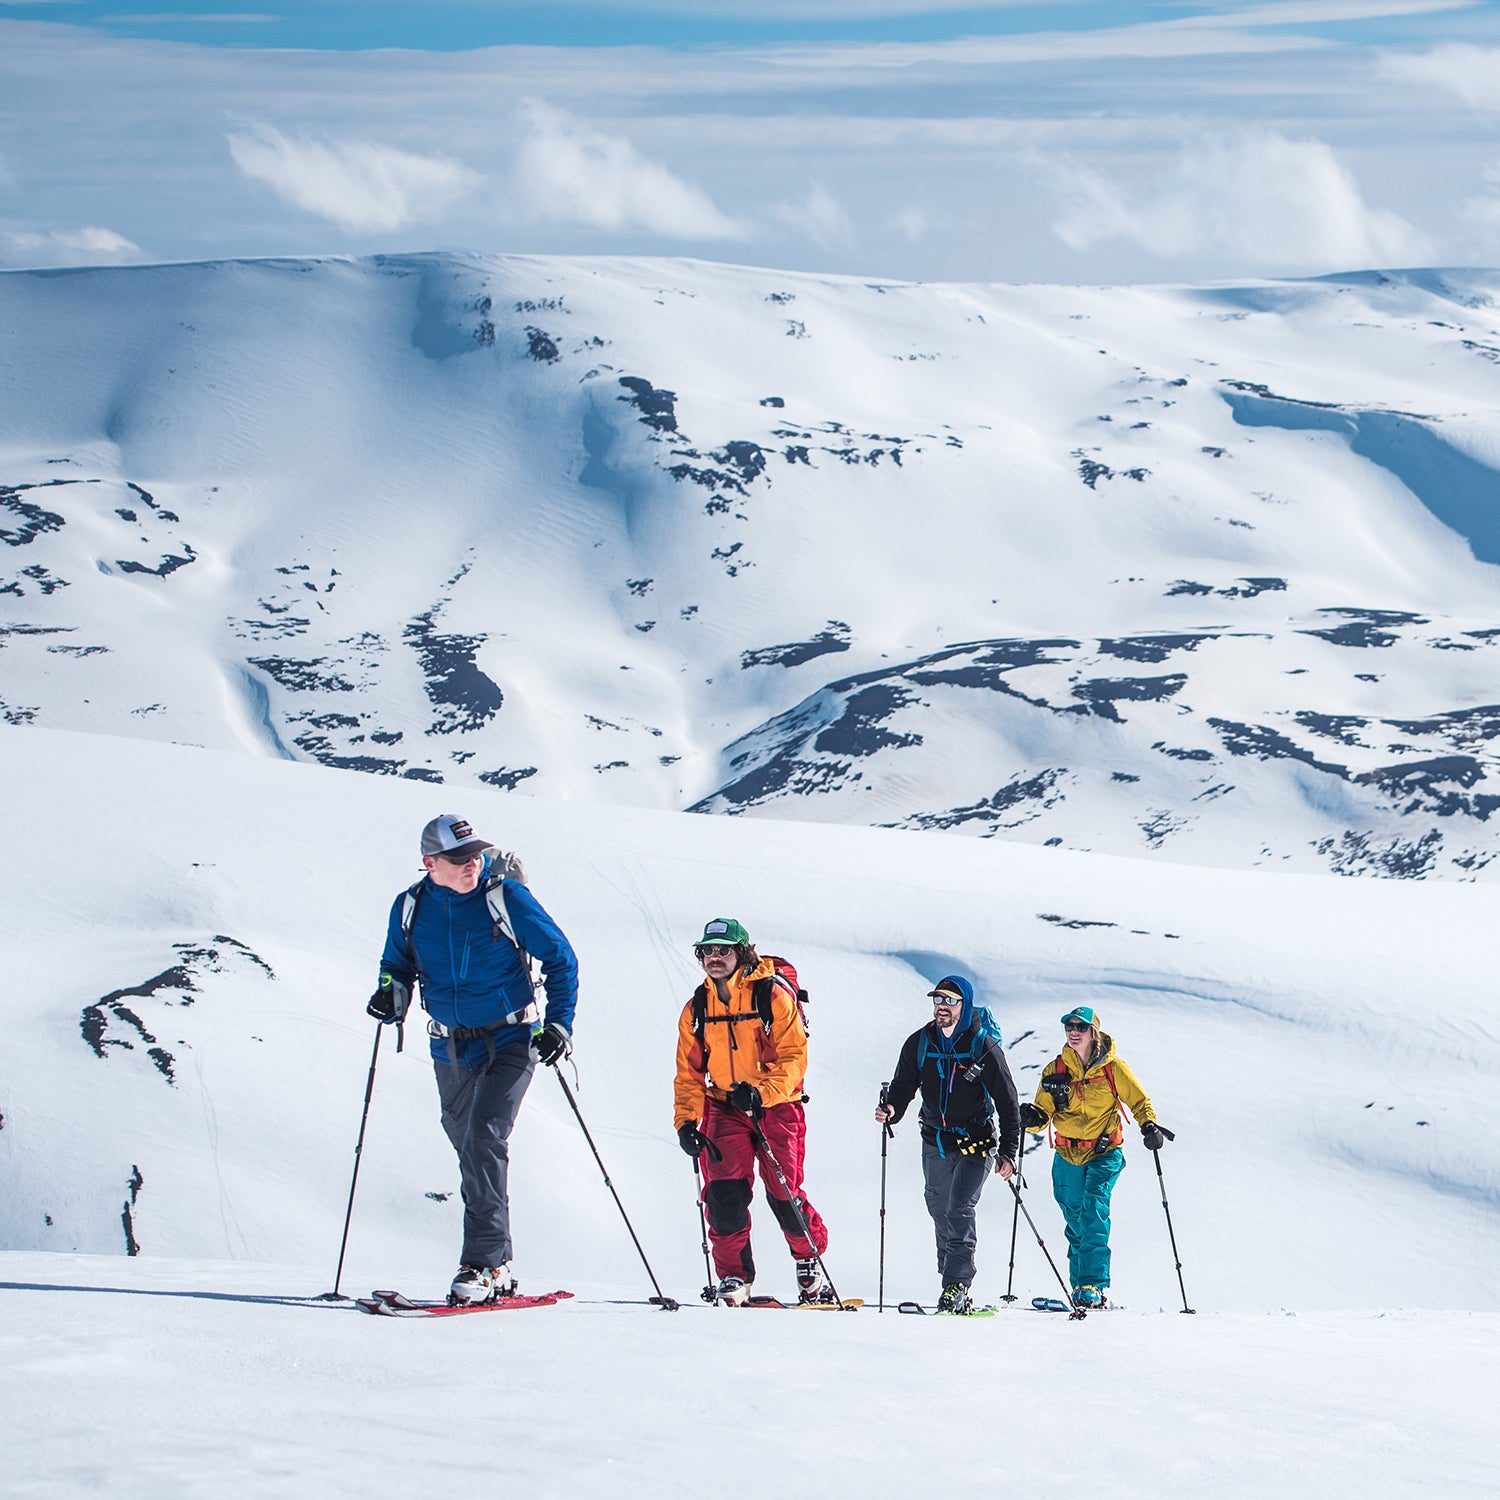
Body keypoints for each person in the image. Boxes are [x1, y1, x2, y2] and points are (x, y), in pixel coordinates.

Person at [367, 814, 578, 1305]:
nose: (472, 864)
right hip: (448, 1046)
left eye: (476, 854)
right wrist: (389, 995)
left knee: (484, 1136)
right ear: (429, 862)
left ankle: (480, 1265)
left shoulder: (504, 898)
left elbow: (561, 957)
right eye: (459, 858)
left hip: (513, 1037)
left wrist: (559, 1024)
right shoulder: (410, 908)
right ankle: (499, 1264)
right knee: (469, 1146)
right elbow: (395, 966)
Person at [672, 917, 831, 1306]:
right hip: (724, 1108)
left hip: (778, 1108)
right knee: (724, 1196)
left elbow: (795, 1056)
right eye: (708, 950)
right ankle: (733, 1278)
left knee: (783, 1193)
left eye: (723, 949)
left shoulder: (772, 995)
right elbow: (689, 1071)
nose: (714, 957)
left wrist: (761, 1092)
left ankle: (808, 1260)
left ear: (740, 952)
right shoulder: (697, 1006)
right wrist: (686, 1121)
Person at [874, 976, 1020, 1313]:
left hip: (978, 1143)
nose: (942, 1005)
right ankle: (951, 1277)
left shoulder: (983, 1047)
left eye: (950, 1000)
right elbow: (903, 1085)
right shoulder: (920, 1043)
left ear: (964, 1005)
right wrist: (892, 1109)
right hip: (935, 1142)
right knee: (939, 1209)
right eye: (938, 999)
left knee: (959, 1208)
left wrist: (1009, 1152)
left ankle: (956, 1284)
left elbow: (1008, 1103)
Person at [1018, 1005, 1167, 1309]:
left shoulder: (1114, 1069)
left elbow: (1139, 1101)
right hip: (1066, 1153)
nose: (1074, 1032)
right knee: (1075, 1220)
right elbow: (1042, 1116)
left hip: (1105, 1151)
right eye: (1069, 1027)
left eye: (1080, 1027)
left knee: (1093, 1210)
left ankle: (1093, 1285)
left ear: (1093, 1032)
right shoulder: (1055, 1070)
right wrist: (1030, 1117)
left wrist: (1148, 1125)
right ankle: (1080, 1288)